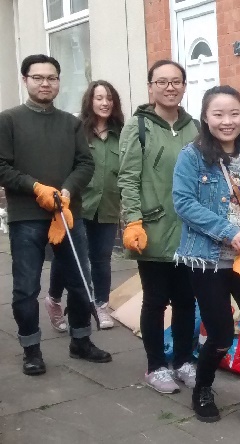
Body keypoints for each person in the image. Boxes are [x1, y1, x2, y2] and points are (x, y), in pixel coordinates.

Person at [172, 85, 240, 434]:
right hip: (208, 259)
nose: (226, 121)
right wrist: (227, 232)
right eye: (218, 114)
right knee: (218, 335)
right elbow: (184, 203)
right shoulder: (191, 156)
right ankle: (202, 390)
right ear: (205, 117)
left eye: (234, 113)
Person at [0, 54, 112, 375]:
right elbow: (2, 166)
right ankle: (31, 348)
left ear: (59, 82)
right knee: (26, 287)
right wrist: (34, 187)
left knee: (79, 281)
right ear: (25, 80)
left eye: (52, 78)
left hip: (67, 215)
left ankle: (80, 340)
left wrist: (66, 190)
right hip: (26, 217)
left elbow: (85, 164)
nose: (45, 83)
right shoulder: (8, 120)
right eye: (38, 77)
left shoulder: (72, 123)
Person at [118, 60, 199, 394]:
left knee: (186, 299)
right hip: (152, 228)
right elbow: (128, 178)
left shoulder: (195, 127)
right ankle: (155, 366)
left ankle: (182, 360)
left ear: (183, 86)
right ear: (150, 86)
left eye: (176, 81)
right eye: (162, 81)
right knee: (154, 300)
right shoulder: (138, 126)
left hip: (192, 231)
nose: (170, 87)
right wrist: (133, 220)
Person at [47, 80, 125, 331]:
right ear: (90, 101)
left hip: (109, 205)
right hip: (78, 205)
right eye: (99, 98)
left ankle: (99, 305)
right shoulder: (76, 130)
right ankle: (54, 299)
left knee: (101, 258)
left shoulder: (122, 133)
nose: (105, 103)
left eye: (109, 98)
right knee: (68, 256)